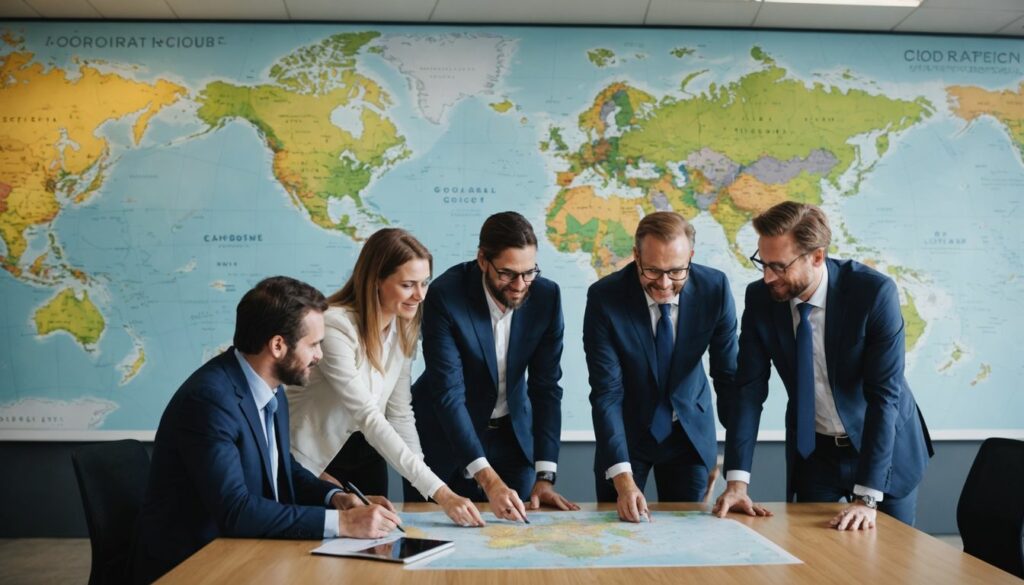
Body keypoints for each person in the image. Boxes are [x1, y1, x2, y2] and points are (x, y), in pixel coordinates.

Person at [133, 277, 401, 584]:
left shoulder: (270, 390)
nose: (320, 356)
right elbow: (236, 511)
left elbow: (281, 468)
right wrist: (342, 523)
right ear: (277, 346)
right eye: (313, 344)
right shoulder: (209, 401)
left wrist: (335, 497)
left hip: (247, 550)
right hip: (194, 564)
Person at [714, 201, 933, 529]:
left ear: (816, 256)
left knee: (890, 562)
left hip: (883, 452)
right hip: (815, 453)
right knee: (814, 562)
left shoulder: (872, 293)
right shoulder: (761, 299)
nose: (768, 276)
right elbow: (748, 391)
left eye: (779, 266)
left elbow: (883, 397)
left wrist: (867, 497)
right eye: (762, 263)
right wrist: (736, 483)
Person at [288, 228, 484, 527]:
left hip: (367, 456)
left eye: (424, 283)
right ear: (376, 280)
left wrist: (425, 488)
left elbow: (399, 412)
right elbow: (367, 414)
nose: (420, 295)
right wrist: (442, 493)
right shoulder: (335, 326)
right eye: (407, 285)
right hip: (314, 460)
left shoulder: (403, 326)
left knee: (372, 554)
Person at [410, 211, 578, 522]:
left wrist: (545, 476)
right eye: (508, 274)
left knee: (515, 540)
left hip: (512, 438)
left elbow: (546, 387)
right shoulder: (446, 295)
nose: (520, 285)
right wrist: (488, 479)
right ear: (483, 260)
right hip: (444, 438)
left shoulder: (546, 296)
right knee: (436, 537)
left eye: (529, 273)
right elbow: (449, 394)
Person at [585, 211, 738, 522]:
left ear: (691, 257)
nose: (665, 284)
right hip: (626, 433)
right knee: (618, 530)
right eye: (652, 270)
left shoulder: (715, 289)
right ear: (636, 256)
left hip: (689, 434)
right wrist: (623, 481)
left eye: (677, 271)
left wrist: (736, 474)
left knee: (688, 533)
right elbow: (607, 393)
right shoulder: (605, 298)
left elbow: (728, 379)